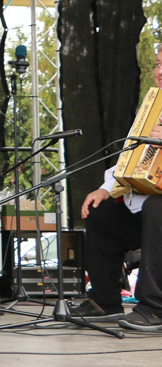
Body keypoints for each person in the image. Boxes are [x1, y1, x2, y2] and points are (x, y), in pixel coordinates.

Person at [73, 48, 162, 331]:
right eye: (158, 64)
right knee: (101, 212)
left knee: (156, 207)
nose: (159, 71)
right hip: (146, 206)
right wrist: (105, 188)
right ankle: (104, 300)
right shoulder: (152, 107)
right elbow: (132, 156)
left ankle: (154, 308)